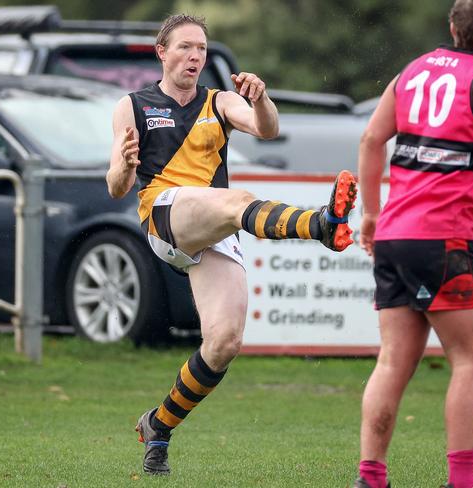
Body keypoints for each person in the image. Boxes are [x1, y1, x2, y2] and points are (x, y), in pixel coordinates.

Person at [106, 14, 358, 475]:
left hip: (216, 223)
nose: (195, 56)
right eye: (185, 47)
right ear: (162, 52)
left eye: (201, 48)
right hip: (165, 214)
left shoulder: (219, 101)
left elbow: (267, 130)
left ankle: (158, 426)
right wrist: (124, 165)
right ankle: (321, 225)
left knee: (224, 342)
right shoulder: (133, 105)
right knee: (236, 200)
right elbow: (116, 187)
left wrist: (261, 101)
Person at [355, 1, 473, 487]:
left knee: (392, 361)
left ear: (452, 28)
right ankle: (462, 482)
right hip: (443, 240)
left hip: (395, 237)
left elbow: (371, 140)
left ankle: (370, 477)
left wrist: (371, 214)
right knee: (470, 359)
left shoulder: (410, 74)